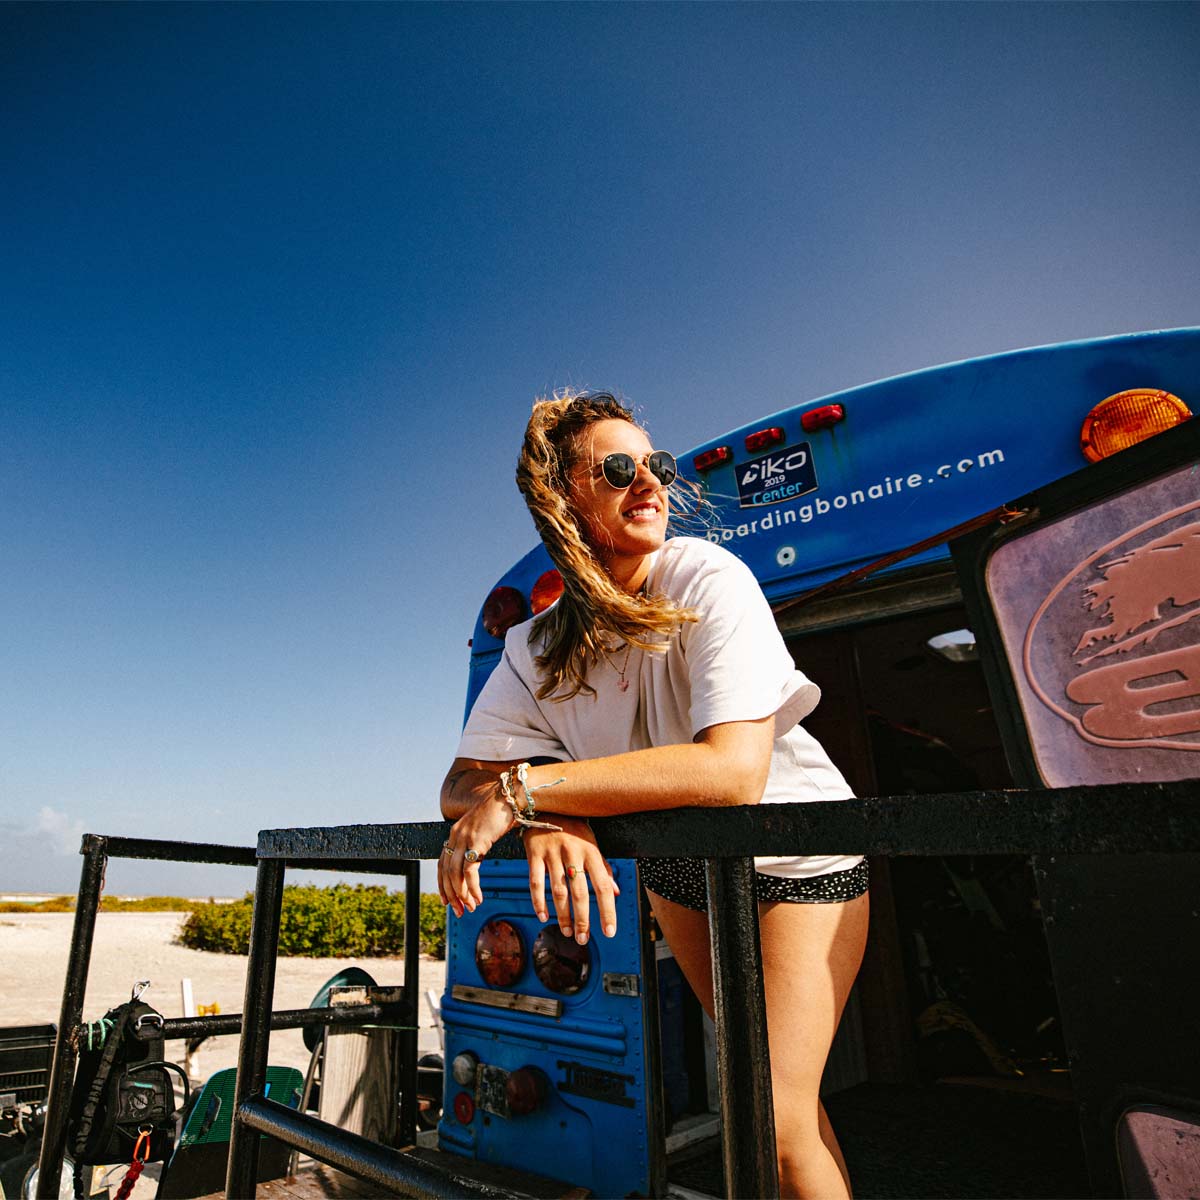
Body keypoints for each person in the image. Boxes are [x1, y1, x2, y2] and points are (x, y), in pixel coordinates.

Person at [438, 391, 869, 1199]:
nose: (651, 484)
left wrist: (531, 789)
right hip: (681, 869)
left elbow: (732, 774)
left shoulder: (706, 576)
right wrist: (551, 814)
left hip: (795, 862)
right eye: (617, 469)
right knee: (776, 1110)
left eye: (657, 466)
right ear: (563, 499)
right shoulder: (534, 642)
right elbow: (461, 785)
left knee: (771, 1122)